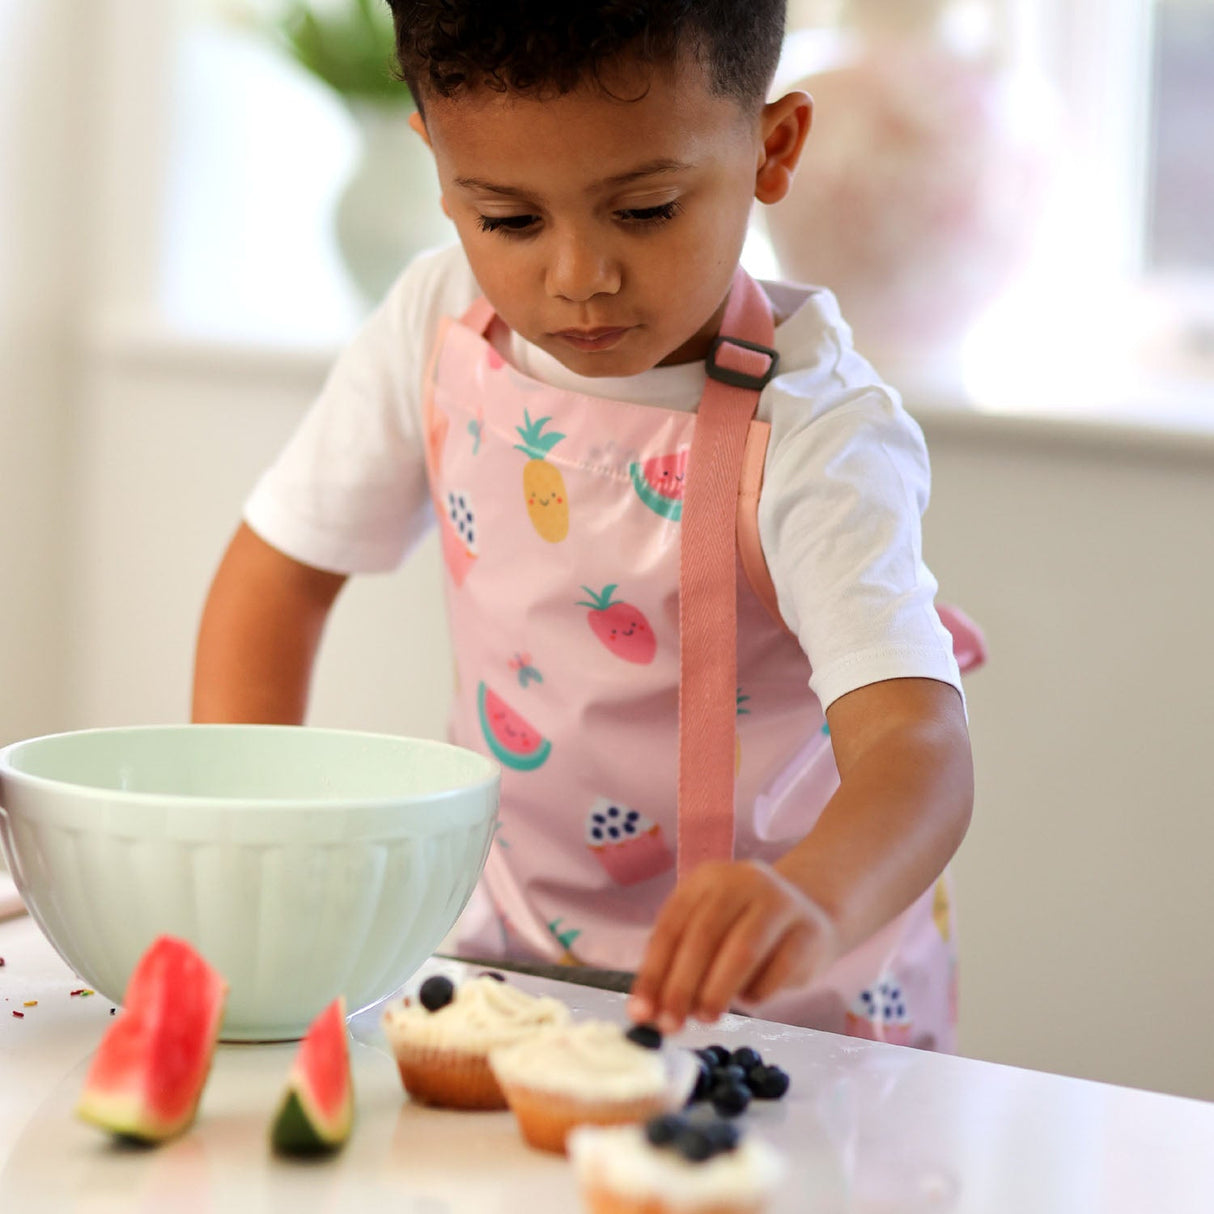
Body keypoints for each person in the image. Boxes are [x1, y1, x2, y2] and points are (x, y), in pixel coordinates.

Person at [193, 0, 981, 1049]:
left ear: (771, 146)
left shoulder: (819, 435)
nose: (578, 278)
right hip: (504, 957)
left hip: (788, 1006)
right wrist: (242, 845)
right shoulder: (437, 322)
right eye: (509, 221)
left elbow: (916, 744)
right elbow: (278, 574)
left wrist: (815, 901)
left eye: (646, 208)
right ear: (436, 162)